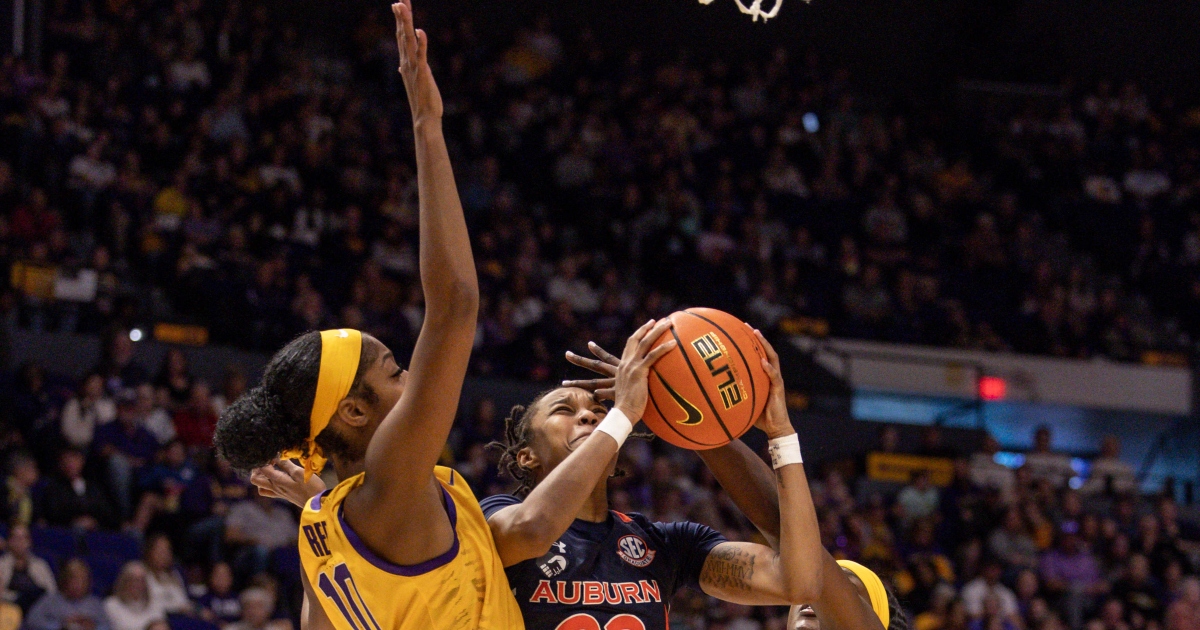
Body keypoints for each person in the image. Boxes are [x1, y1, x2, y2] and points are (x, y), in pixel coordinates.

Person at [213, 2, 522, 628]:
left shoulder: (321, 524)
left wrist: (315, 497)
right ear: (354, 412)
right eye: (393, 371)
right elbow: (457, 307)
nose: (412, 377)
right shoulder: (395, 478)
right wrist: (427, 124)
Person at [24, 559, 111, 630]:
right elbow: (32, 622)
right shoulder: (50, 600)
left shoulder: (95, 604)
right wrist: (61, 625)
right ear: (65, 581)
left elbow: (107, 626)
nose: (79, 585)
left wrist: (93, 626)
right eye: (75, 581)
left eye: (83, 581)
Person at [0, 525, 57, 613]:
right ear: (9, 541)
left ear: (29, 541)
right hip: (11, 606)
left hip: (37, 607)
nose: (20, 542)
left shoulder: (40, 565)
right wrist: (17, 596)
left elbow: (51, 591)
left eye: (24, 538)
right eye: (16, 537)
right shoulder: (2, 564)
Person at [60, 373, 117, 450]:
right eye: (92, 382)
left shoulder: (108, 404)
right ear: (85, 385)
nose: (95, 386)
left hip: (101, 447)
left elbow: (110, 424)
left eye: (98, 383)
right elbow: (68, 430)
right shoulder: (74, 404)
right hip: (78, 446)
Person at [103, 562, 167, 630]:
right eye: (134, 580)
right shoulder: (111, 605)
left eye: (142, 580)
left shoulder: (156, 604)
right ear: (124, 582)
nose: (137, 585)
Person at [142, 534, 192, 614]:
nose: (164, 554)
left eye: (167, 550)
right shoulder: (141, 574)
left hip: (183, 618)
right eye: (159, 550)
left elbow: (185, 602)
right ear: (149, 552)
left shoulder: (175, 574)